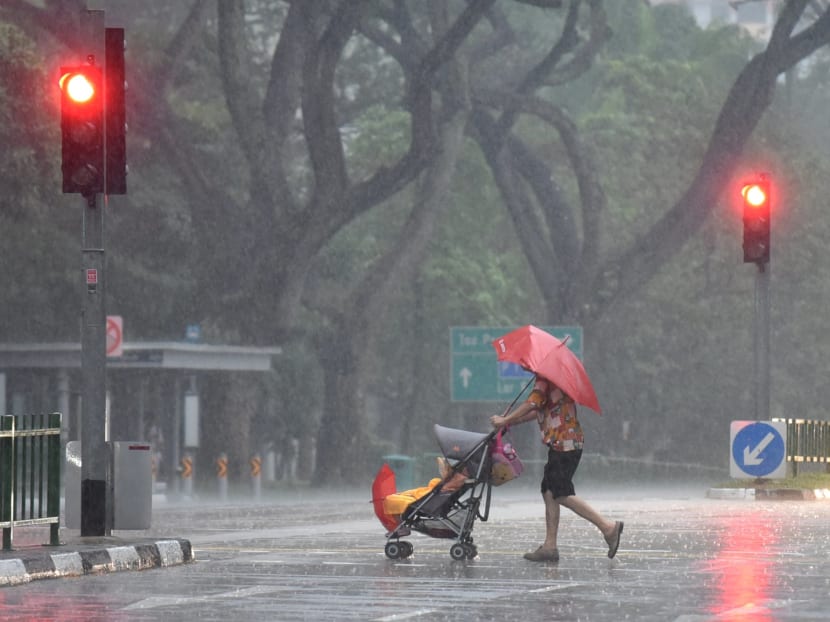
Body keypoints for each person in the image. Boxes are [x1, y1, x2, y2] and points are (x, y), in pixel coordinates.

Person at [490, 377, 623, 562]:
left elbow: (531, 404)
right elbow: (538, 411)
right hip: (563, 443)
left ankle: (608, 527)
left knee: (560, 492)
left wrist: (505, 418)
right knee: (549, 490)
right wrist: (510, 422)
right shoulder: (551, 380)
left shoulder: (545, 379)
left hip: (565, 444)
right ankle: (550, 546)